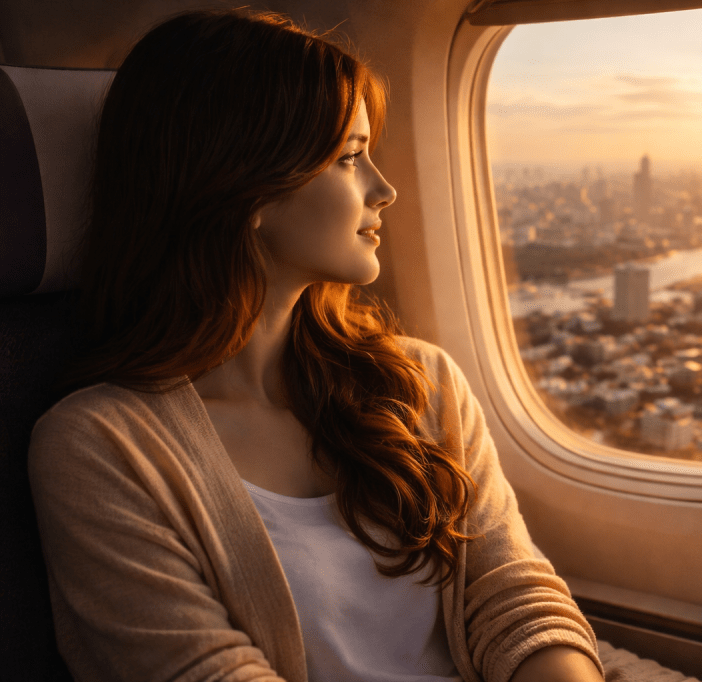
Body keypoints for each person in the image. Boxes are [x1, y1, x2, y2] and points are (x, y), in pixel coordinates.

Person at [27, 9, 605, 682]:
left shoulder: (421, 382)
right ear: (248, 185)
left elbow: (515, 600)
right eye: (351, 158)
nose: (384, 190)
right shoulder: (100, 447)